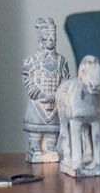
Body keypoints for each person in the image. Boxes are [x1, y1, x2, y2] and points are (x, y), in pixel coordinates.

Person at [22, 16, 70, 162]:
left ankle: (50, 148)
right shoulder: (31, 61)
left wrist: (59, 94)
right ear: (40, 37)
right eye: (47, 35)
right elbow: (28, 80)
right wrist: (40, 94)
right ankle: (35, 148)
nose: (51, 39)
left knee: (52, 133)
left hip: (55, 105)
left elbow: (66, 80)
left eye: (53, 36)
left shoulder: (62, 61)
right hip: (38, 105)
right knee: (36, 131)